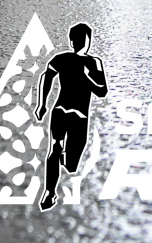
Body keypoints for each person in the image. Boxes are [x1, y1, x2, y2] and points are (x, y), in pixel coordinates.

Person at [33, 22, 108, 212]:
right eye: (78, 39)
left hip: (79, 116)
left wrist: (85, 77)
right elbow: (46, 77)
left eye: (84, 39)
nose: (81, 43)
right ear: (72, 41)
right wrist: (42, 104)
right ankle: (50, 192)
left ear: (88, 41)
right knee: (55, 147)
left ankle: (63, 162)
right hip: (62, 111)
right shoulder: (62, 59)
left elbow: (102, 91)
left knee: (71, 163)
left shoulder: (94, 62)